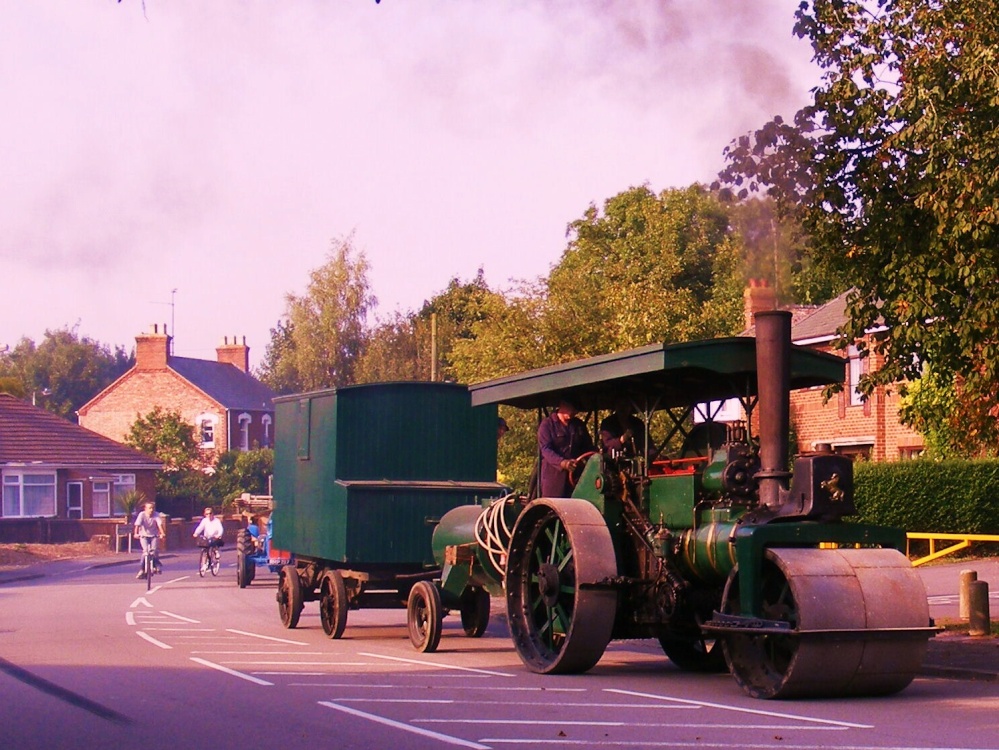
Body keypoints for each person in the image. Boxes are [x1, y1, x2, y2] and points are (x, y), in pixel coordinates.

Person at [537, 399, 594, 498]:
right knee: (553, 509)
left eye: (575, 410)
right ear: (562, 405)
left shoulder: (579, 425)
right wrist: (562, 463)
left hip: (575, 478)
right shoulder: (547, 425)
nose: (573, 412)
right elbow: (546, 449)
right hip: (554, 479)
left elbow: (588, 447)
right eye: (571, 408)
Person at [133, 500, 165, 578]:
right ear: (145, 509)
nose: (151, 510)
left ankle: (157, 566)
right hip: (143, 536)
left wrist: (162, 533)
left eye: (153, 508)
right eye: (150, 508)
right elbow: (137, 525)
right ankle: (142, 570)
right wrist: (135, 533)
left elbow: (160, 525)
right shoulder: (142, 515)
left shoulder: (156, 515)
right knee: (145, 552)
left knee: (154, 551)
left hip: (154, 536)